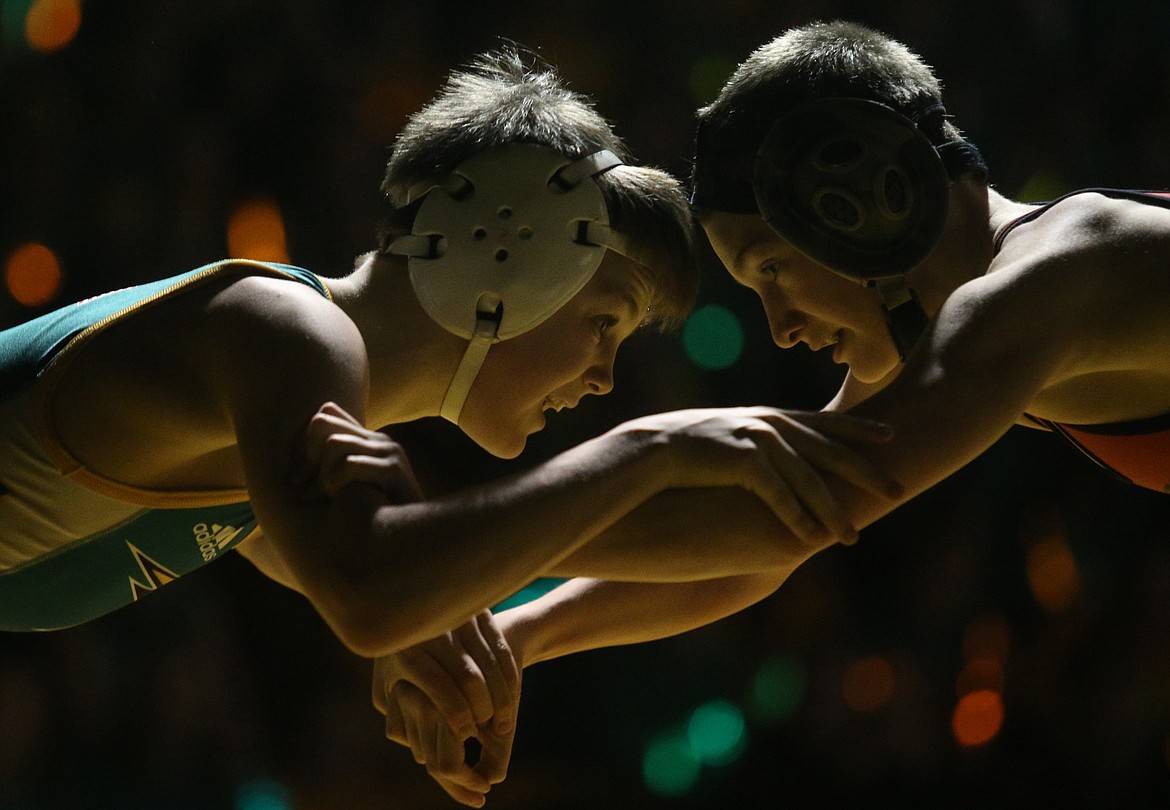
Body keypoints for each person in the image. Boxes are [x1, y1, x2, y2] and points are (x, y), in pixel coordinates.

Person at [374, 20, 1170, 806]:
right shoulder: (986, 314)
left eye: (772, 270)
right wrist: (518, 633)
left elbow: (787, 522)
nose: (784, 326)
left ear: (856, 198)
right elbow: (765, 535)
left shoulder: (1058, 276)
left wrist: (446, 572)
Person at [0, 44, 899, 738]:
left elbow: (718, 546)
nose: (603, 376)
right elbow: (370, 594)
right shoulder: (279, 325)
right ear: (513, 250)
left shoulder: (279, 447)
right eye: (604, 320)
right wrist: (648, 451)